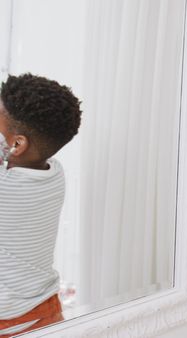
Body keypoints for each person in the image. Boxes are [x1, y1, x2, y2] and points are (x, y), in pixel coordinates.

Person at [0, 74, 82, 337]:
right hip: (45, 310)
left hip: (8, 321)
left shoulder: (6, 189)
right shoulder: (53, 173)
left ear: (17, 144)